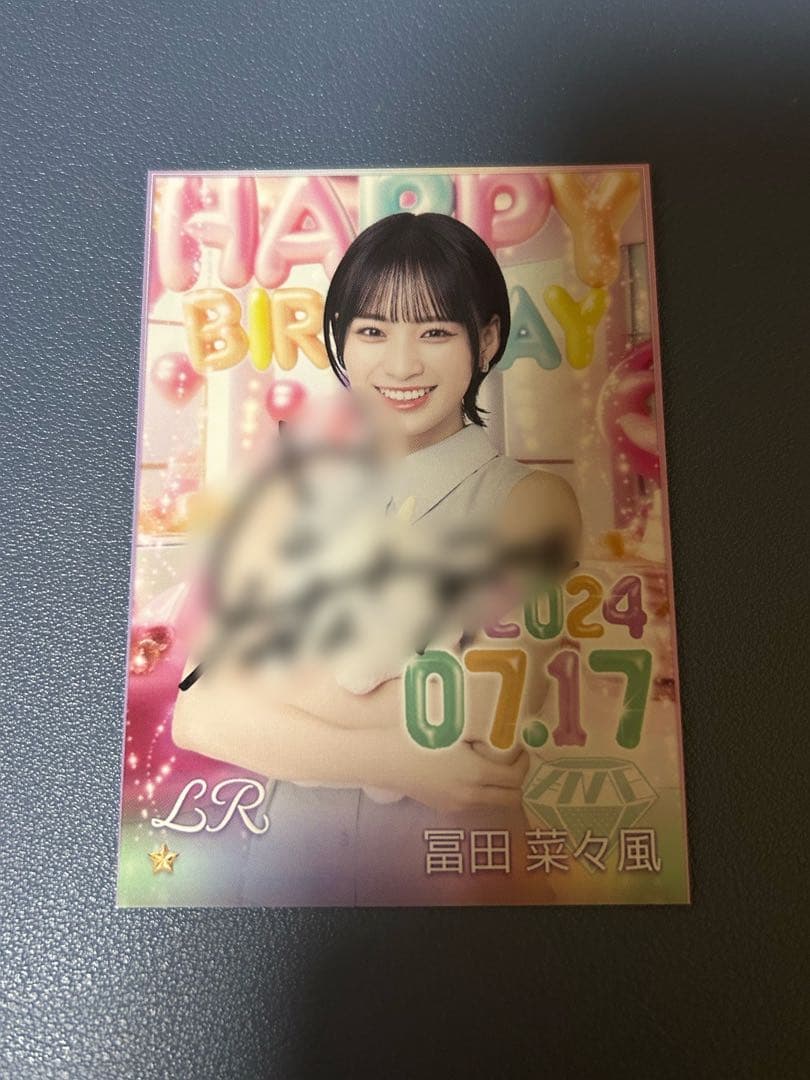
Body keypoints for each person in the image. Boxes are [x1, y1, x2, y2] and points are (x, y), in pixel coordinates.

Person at [171, 212, 582, 903]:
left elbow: (490, 707)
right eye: (372, 331)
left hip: (458, 879)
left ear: (485, 339)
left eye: (434, 332)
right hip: (289, 874)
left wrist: (274, 682)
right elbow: (201, 714)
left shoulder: (532, 504)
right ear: (340, 337)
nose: (401, 365)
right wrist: (403, 761)